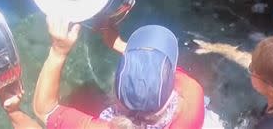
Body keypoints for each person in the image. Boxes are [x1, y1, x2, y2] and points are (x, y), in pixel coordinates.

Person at [32, 19, 205, 128]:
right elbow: (164, 71)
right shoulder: (193, 93)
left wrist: (58, 51)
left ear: (116, 96)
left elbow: (44, 110)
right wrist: (120, 44)